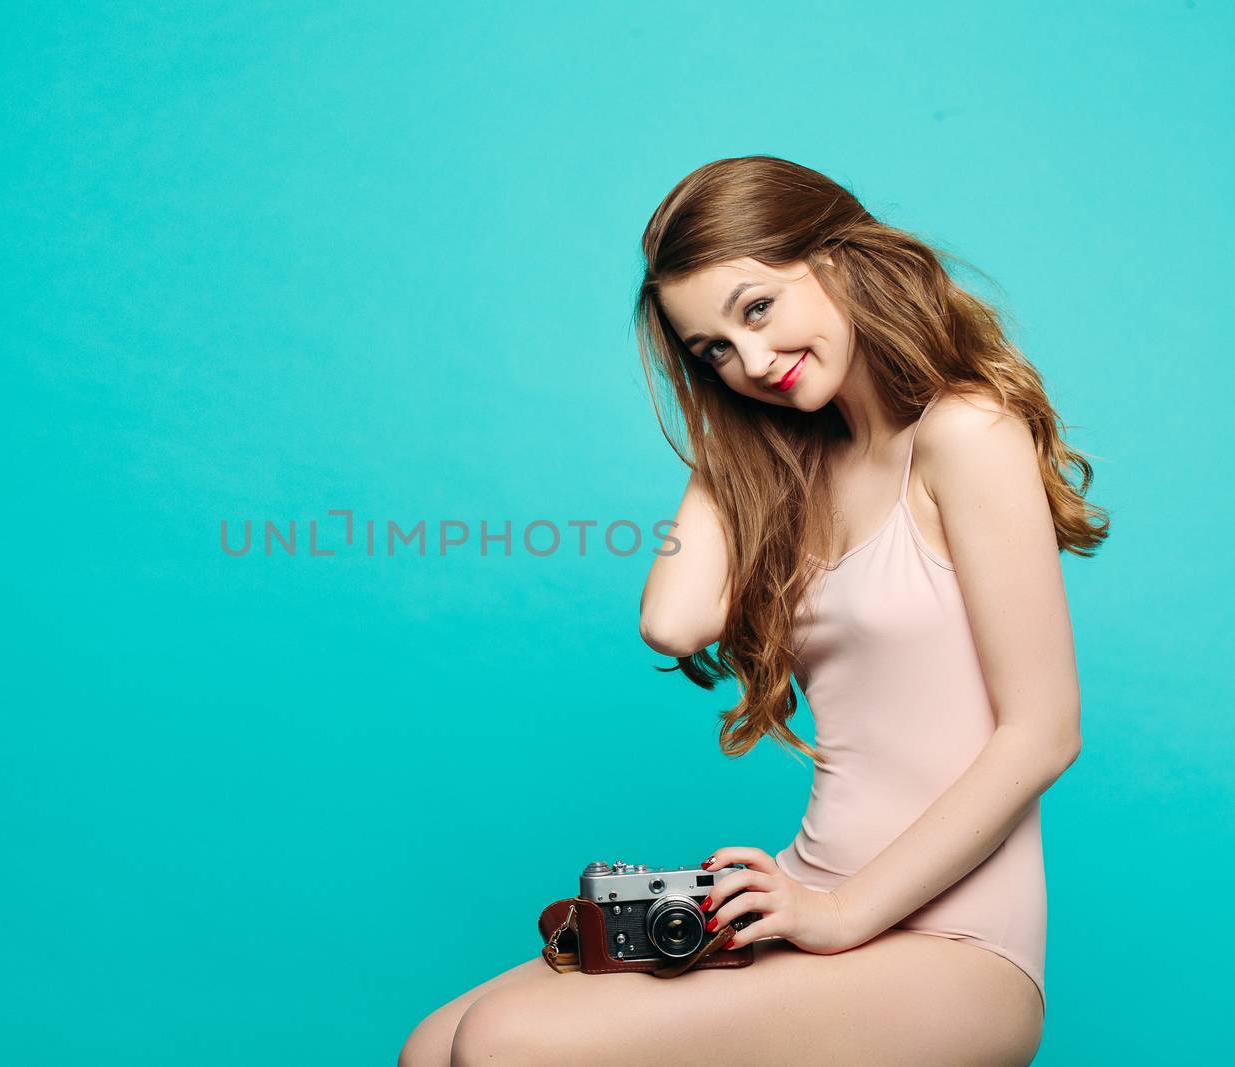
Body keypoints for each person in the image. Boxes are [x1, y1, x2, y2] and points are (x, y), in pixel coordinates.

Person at [398, 155, 1107, 1067]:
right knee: (435, 1044)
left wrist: (841, 912)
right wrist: (729, 424)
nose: (753, 361)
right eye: (712, 352)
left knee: (509, 1043)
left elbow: (1043, 732)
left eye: (758, 308)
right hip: (808, 892)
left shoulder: (966, 431)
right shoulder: (800, 468)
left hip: (951, 945)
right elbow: (674, 619)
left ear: (841, 258)